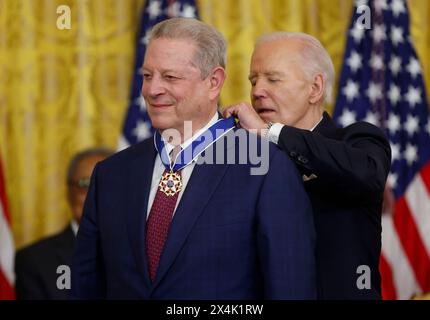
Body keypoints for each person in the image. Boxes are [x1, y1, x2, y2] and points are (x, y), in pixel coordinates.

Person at [71, 18, 316, 300]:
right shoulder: (111, 174)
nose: (152, 90)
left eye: (170, 77)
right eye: (148, 75)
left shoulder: (266, 169)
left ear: (214, 82)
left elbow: (290, 290)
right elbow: (86, 289)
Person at [223, 32, 391, 299]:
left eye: (273, 79)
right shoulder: (244, 155)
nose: (257, 91)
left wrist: (270, 132)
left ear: (315, 88)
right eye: (253, 81)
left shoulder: (356, 140)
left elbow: (366, 173)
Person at [15, 148, 113, 300]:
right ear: (69, 192)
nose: (96, 194)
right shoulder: (34, 261)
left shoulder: (146, 255)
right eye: (85, 184)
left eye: (108, 184)